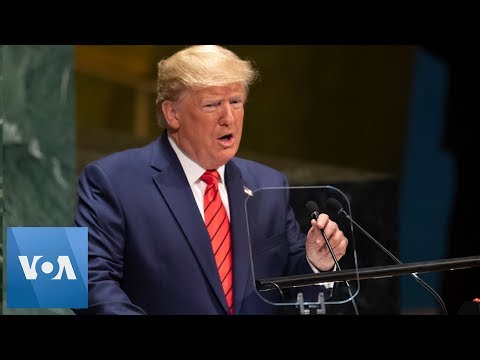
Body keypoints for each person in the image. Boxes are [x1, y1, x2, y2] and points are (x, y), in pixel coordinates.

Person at [74, 45, 349, 315]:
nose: (228, 118)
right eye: (212, 104)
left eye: (235, 102)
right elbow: (89, 283)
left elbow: (294, 287)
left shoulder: (267, 183)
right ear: (172, 114)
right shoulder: (113, 179)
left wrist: (317, 264)